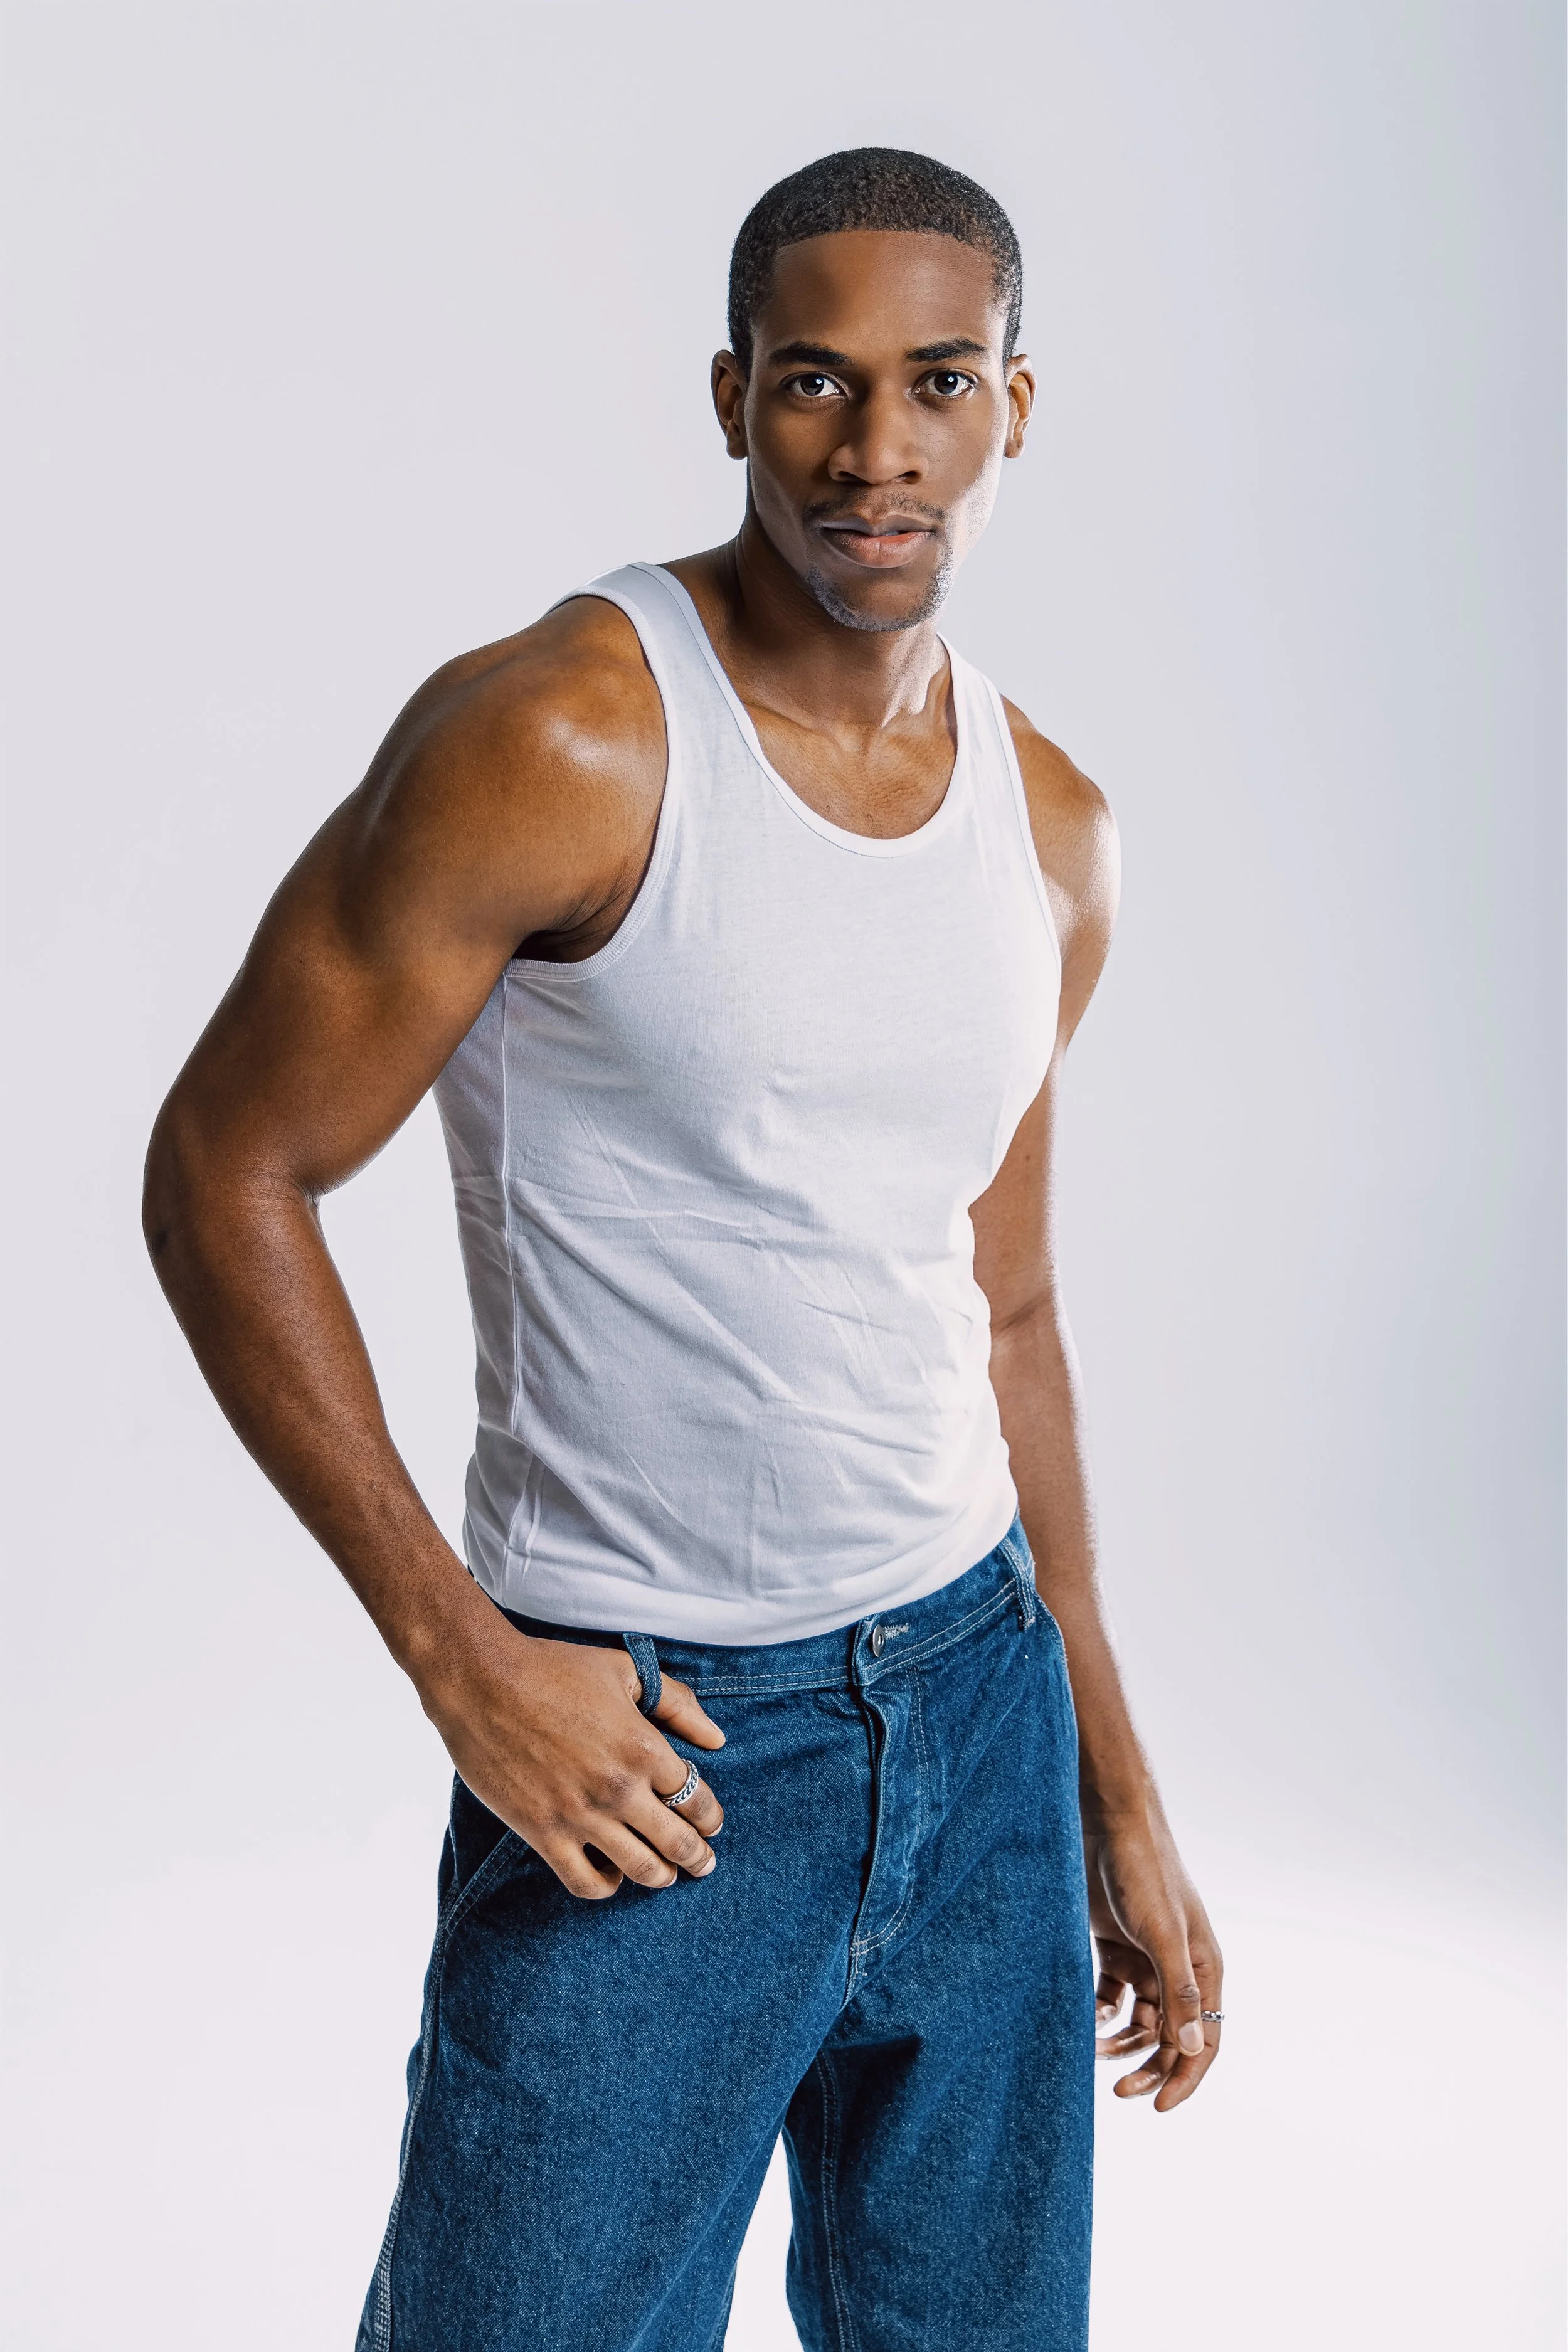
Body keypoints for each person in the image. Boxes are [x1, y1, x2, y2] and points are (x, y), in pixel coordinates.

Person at [144, 146, 1222, 2352]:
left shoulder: (1057, 831)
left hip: (976, 1702)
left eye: (938, 383)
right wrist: (464, 1666)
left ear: (1018, 408)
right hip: (655, 1747)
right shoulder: (563, 734)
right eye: (817, 382)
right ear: (733, 396)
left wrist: (1112, 1783)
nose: (876, 448)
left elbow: (999, 1308)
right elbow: (222, 1171)